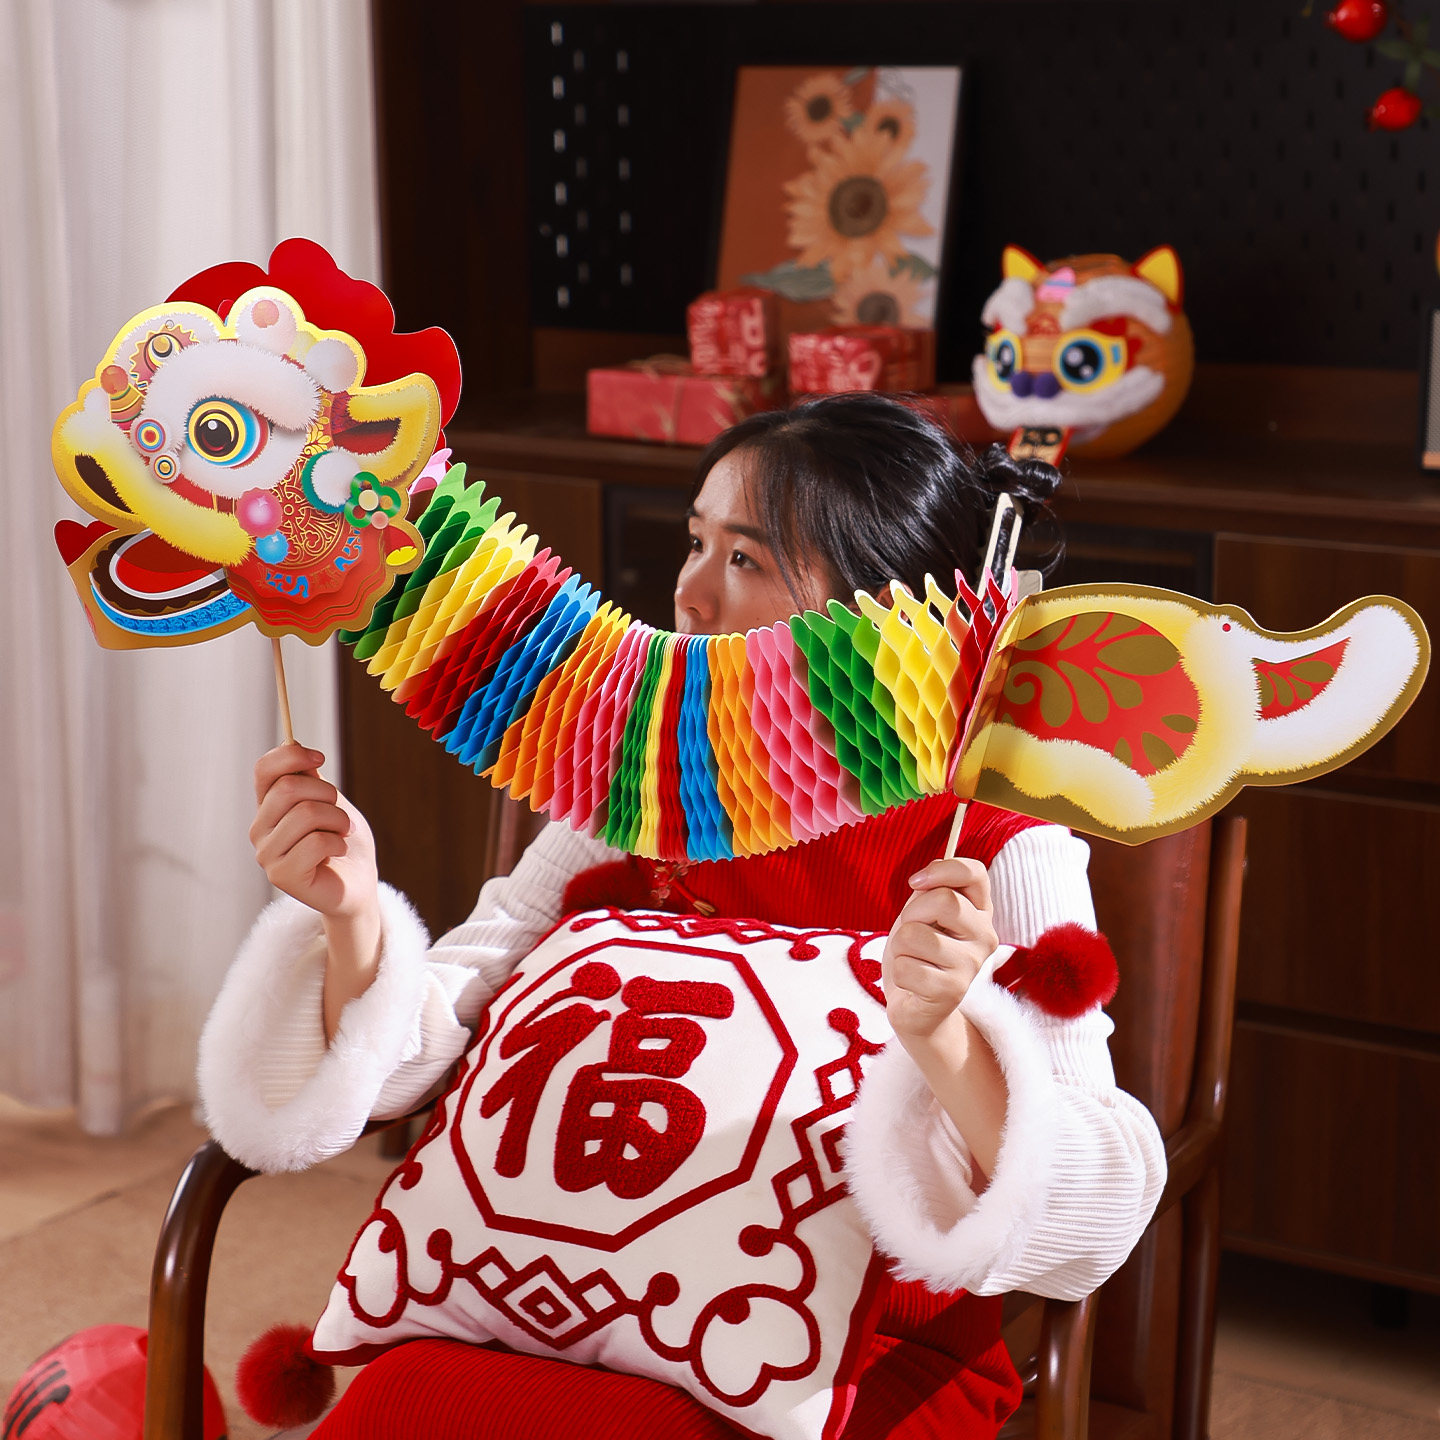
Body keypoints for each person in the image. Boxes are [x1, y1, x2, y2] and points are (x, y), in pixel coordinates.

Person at [198, 393, 1165, 1439]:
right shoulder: (642, 788)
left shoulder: (993, 844)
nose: (688, 595)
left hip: (863, 1354)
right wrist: (353, 918)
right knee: (401, 1408)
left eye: (745, 559)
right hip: (551, 1308)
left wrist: (944, 1033)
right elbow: (409, 1064)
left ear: (883, 607)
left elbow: (1092, 1222)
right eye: (695, 543)